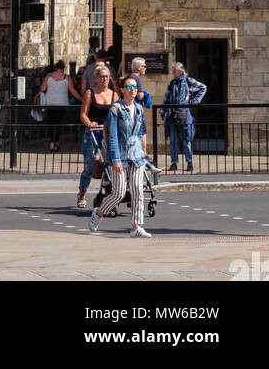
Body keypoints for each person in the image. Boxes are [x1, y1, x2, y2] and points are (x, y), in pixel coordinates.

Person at [89, 77, 151, 237]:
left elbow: (140, 133)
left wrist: (144, 153)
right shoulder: (115, 110)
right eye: (129, 86)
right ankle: (99, 212)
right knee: (119, 193)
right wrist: (115, 159)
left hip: (136, 156)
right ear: (122, 89)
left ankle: (136, 227)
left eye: (135, 87)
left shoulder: (139, 109)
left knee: (138, 190)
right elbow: (113, 137)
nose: (132, 89)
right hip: (120, 156)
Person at [76, 61, 116, 210]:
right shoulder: (90, 93)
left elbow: (118, 114)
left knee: (108, 166)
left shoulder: (114, 95)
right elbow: (83, 114)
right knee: (89, 167)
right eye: (102, 77)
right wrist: (89, 123)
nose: (104, 79)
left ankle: (108, 195)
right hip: (93, 133)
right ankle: (82, 193)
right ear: (96, 78)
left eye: (107, 77)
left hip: (107, 134)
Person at [160, 62, 207, 173]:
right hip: (172, 114)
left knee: (186, 139)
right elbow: (167, 98)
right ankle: (174, 163)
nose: (172, 72)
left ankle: (189, 162)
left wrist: (195, 101)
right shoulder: (171, 84)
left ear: (180, 71)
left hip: (185, 114)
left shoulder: (189, 81)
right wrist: (163, 112)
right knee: (173, 140)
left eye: (174, 70)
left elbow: (203, 88)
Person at [39, 60, 81, 152]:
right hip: (62, 104)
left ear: (55, 67)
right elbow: (73, 91)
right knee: (57, 124)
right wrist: (81, 99)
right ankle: (56, 143)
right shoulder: (67, 77)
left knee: (51, 123)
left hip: (50, 103)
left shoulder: (48, 76)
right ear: (63, 68)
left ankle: (52, 143)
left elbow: (42, 88)